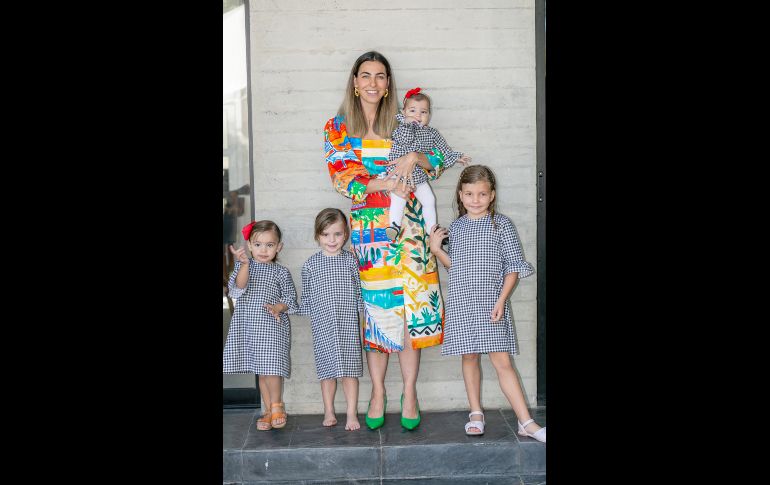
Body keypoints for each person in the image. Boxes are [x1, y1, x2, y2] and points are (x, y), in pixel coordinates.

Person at [323, 51, 448, 430]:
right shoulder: (339, 126)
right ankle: (377, 391)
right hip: (371, 230)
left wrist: (415, 156)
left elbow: (438, 160)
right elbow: (343, 177)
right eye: (366, 76)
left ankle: (409, 392)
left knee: (413, 309)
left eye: (380, 76)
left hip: (411, 228)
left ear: (388, 83)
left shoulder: (405, 120)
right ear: (355, 82)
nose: (373, 83)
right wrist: (387, 182)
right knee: (379, 312)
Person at [429, 165, 546, 442]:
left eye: (482, 194)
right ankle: (476, 413)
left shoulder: (501, 224)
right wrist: (436, 250)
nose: (475, 199)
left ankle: (525, 422)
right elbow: (455, 269)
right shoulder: (456, 227)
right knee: (469, 357)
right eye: (469, 194)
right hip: (462, 303)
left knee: (502, 362)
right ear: (460, 194)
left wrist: (501, 301)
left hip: (492, 304)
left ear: (492, 195)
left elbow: (513, 268)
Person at [290, 208, 364, 430]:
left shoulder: (351, 262)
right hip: (322, 327)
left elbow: (360, 294)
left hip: (348, 324)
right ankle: (329, 410)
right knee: (327, 372)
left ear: (346, 234)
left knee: (350, 372)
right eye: (326, 234)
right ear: (317, 236)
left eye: (338, 234)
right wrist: (286, 309)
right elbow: (307, 299)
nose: (332, 240)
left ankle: (351, 413)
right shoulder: (310, 265)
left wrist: (362, 322)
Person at [223, 220, 298, 431]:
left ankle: (277, 406)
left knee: (273, 368)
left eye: (270, 245)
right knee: (262, 372)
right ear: (249, 245)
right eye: (258, 245)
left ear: (279, 247)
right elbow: (238, 287)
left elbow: (291, 299)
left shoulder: (281, 272)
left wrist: (278, 307)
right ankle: (267, 411)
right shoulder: (243, 267)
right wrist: (245, 264)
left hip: (273, 326)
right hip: (250, 327)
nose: (263, 250)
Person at [382, 87, 471, 241]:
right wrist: (408, 124)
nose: (418, 115)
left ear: (429, 115)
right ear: (403, 112)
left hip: (418, 175)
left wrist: (456, 157)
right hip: (400, 174)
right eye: (412, 111)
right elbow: (405, 139)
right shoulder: (400, 128)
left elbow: (443, 150)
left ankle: (432, 231)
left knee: (429, 200)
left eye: (423, 112)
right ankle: (394, 226)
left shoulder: (432, 133)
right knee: (399, 199)